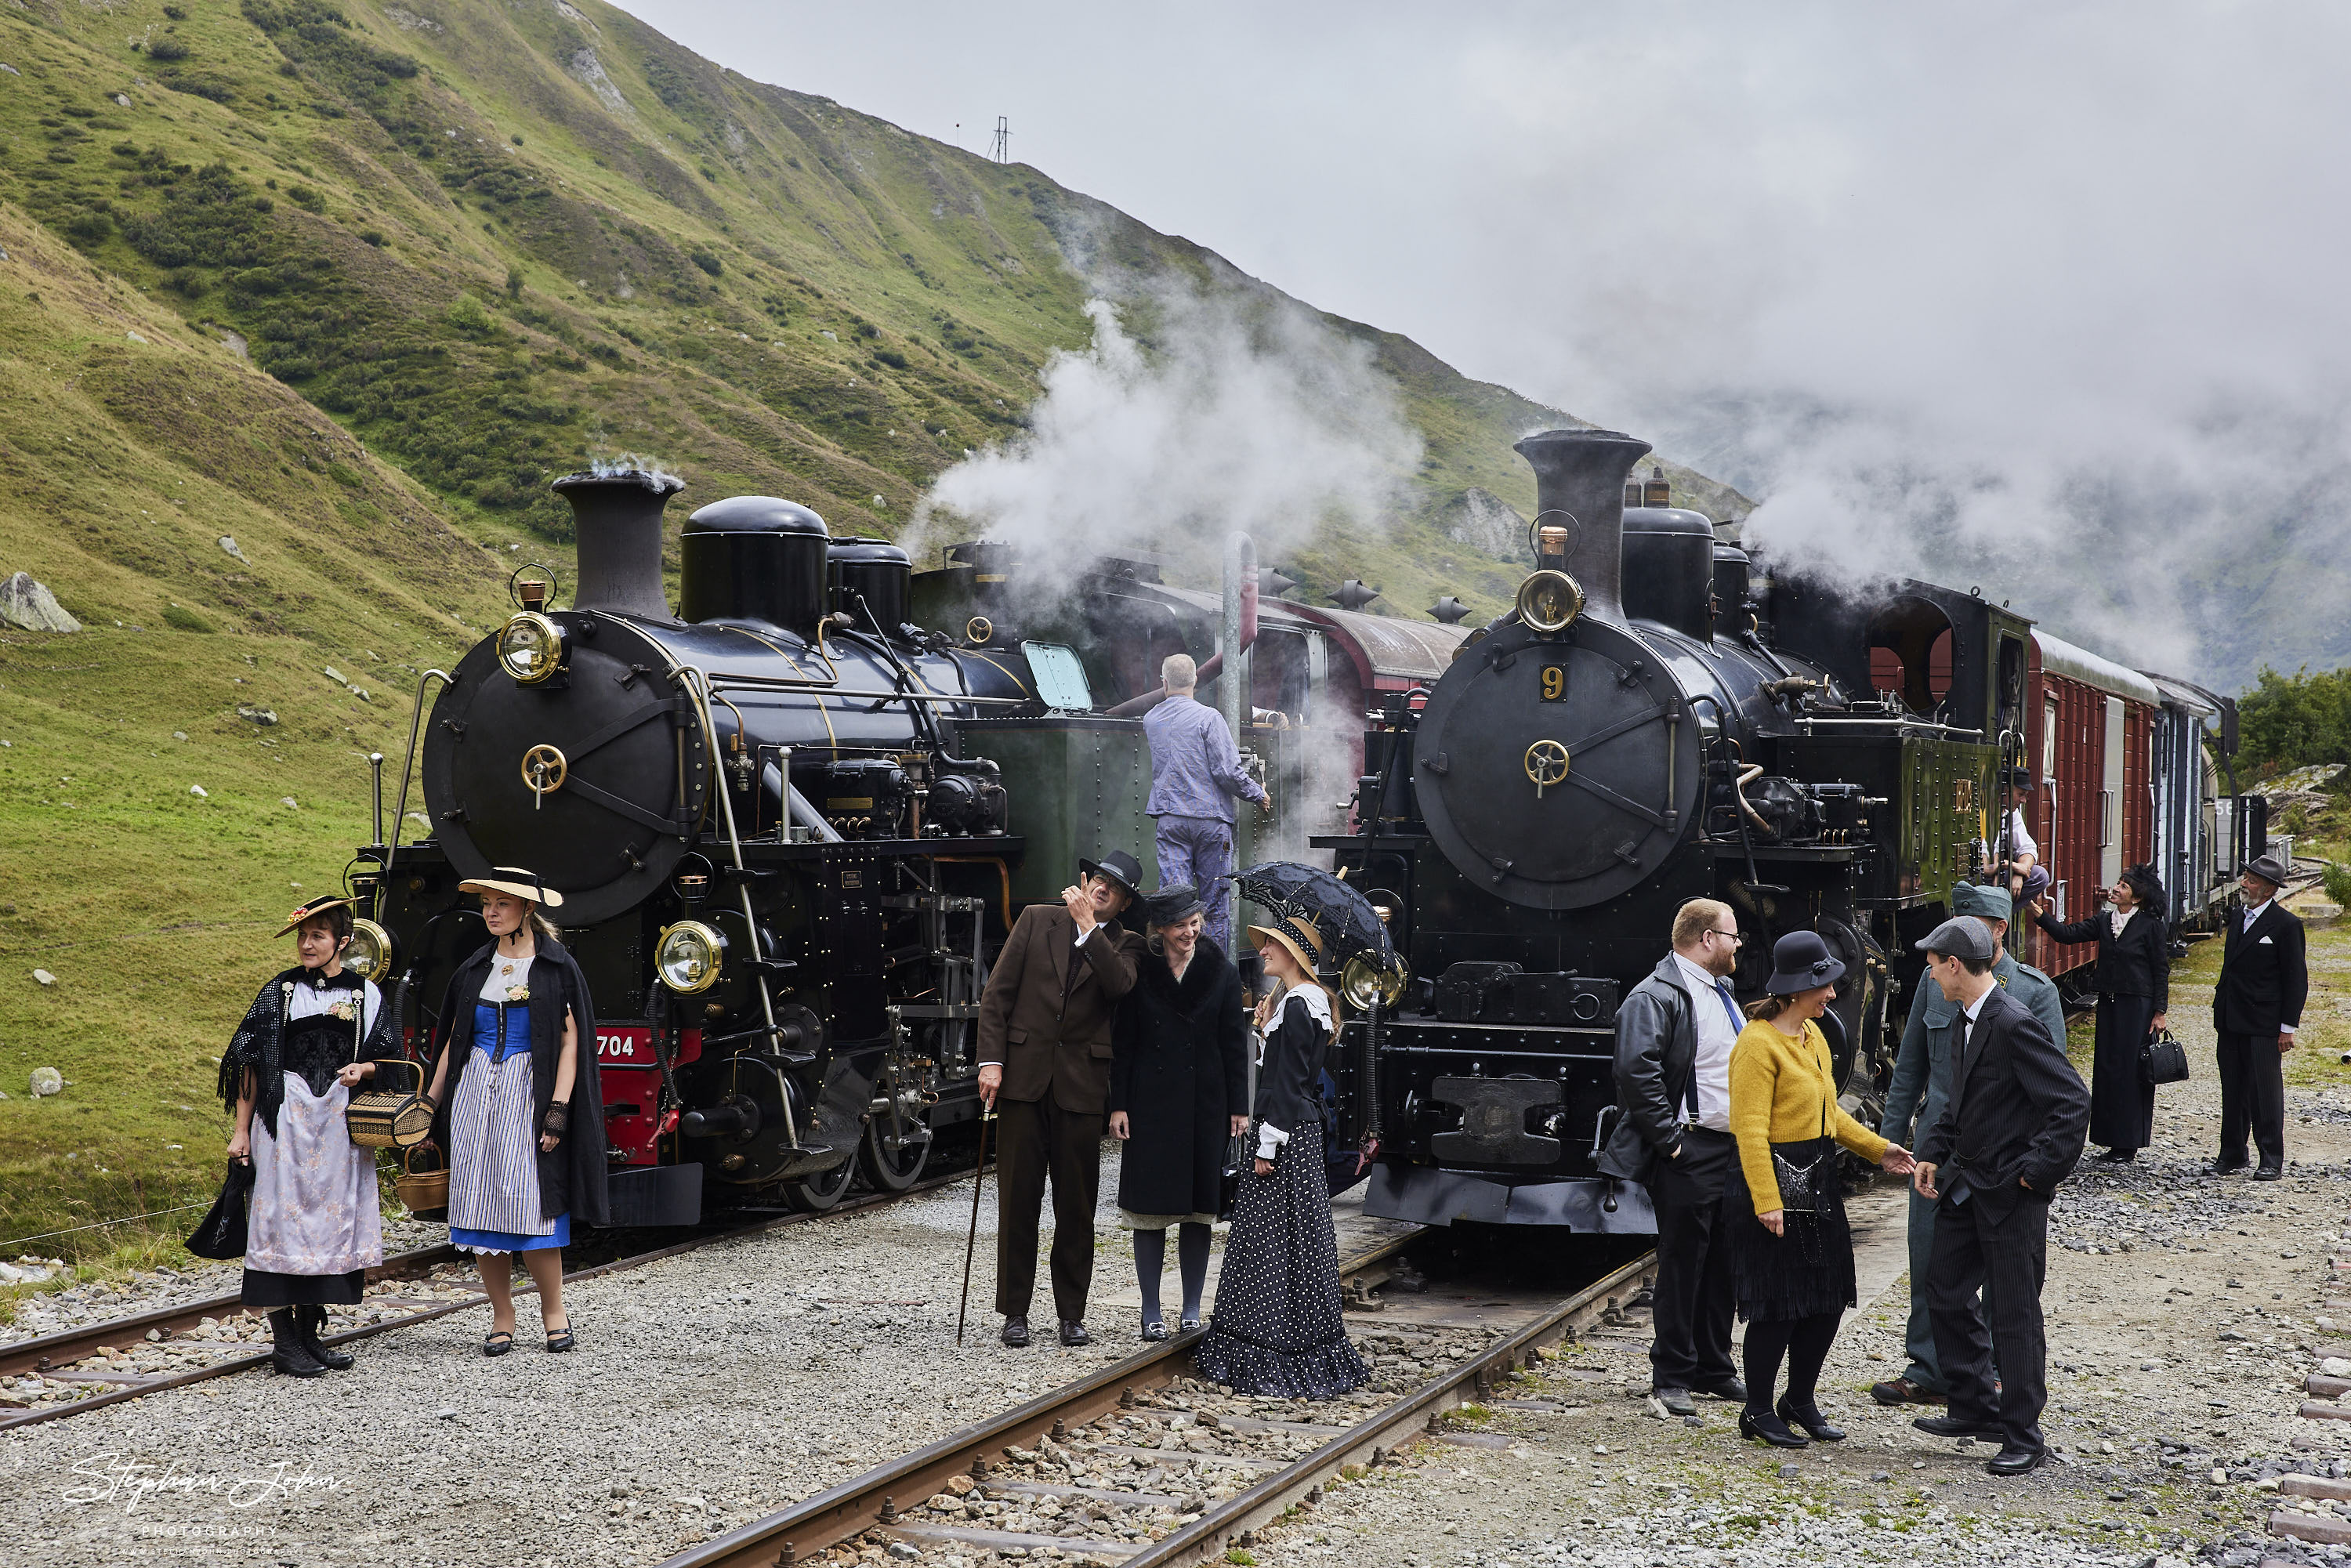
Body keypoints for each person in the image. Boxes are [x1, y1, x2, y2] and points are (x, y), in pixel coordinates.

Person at [1874, 885, 2067, 1407]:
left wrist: (2036, 1169)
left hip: (2001, 1156)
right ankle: (1931, 1368)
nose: (1959, 927)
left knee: (2005, 1275)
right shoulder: (1935, 982)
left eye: (1975, 919)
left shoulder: (2032, 993)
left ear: (2000, 928)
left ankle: (1996, 1375)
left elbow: (2059, 1093)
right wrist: (1890, 1142)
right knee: (1932, 1258)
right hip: (1940, 1143)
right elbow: (1911, 1063)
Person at [1911, 915, 2091, 1476]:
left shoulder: (2012, 1022)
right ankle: (1974, 1406)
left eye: (1934, 962)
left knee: (2014, 1315)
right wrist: (1933, 1151)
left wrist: (2034, 1175)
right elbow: (1960, 1101)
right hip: (1968, 1185)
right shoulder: (1970, 1015)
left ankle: (2023, 1433)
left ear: (1956, 965)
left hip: (2011, 1195)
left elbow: (2071, 1103)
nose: (1930, 970)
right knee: (1944, 1289)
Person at [1724, 931, 1915, 1448]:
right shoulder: (1756, 1044)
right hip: (1775, 1184)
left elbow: (1829, 1114)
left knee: (1826, 1298)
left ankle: (1799, 1399)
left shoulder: (1811, 1036)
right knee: (1777, 1304)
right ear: (1794, 989)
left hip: (1818, 1178)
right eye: (1823, 986)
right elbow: (1749, 1127)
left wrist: (1880, 1150)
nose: (1832, 994)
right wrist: (1767, 1200)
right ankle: (1759, 1409)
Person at [422, 867, 608, 1356]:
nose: (491, 911)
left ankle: (554, 1311)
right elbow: (452, 1043)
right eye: (487, 903)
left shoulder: (556, 968)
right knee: (480, 1207)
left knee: (535, 1207)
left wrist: (558, 1110)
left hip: (530, 1091)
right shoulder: (475, 969)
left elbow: (571, 1046)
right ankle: (502, 1316)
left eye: (501, 903)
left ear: (527, 909)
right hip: (476, 1095)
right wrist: (429, 1105)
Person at [218, 896, 401, 1377]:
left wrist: (367, 1068)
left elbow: (389, 1061)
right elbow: (248, 1065)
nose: (306, 944)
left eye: (317, 936)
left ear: (343, 942)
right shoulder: (278, 992)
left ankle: (308, 1337)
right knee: (279, 1222)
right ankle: (283, 1344)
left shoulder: (367, 995)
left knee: (326, 1227)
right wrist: (241, 1131)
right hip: (284, 1123)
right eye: (303, 936)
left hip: (338, 1128)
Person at [1194, 913, 1370, 1398]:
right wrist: (1264, 1031)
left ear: (1294, 954)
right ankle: (1299, 1337)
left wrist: (1267, 1145)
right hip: (1300, 1132)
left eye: (1272, 944)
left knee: (1272, 1241)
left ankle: (1273, 1348)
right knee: (1297, 1240)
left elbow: (1286, 1084)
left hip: (1285, 1137)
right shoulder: (1300, 1005)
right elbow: (1290, 1069)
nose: (1263, 951)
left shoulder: (1298, 1006)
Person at [976, 850, 1146, 1348]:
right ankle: (1015, 1312)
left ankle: (1072, 1314)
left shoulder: (1127, 944)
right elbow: (997, 996)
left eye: (1113, 889)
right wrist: (991, 1060)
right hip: (1024, 1082)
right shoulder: (1035, 920)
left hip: (1080, 1089)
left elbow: (1119, 988)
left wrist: (1089, 929)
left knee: (1077, 1209)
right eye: (1099, 880)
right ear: (1086, 881)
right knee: (1017, 1202)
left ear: (1124, 903)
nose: (1102, 889)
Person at [1596, 897, 1749, 1418]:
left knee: (1723, 1262)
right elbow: (1635, 1071)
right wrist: (1672, 1141)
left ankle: (1714, 1365)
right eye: (1732, 935)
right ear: (1707, 938)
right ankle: (1673, 1375)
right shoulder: (1654, 996)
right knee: (1683, 1264)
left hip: (1729, 1147)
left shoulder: (1721, 990)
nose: (1737, 945)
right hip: (1691, 1147)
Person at [1107, 884, 1248, 1339]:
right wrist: (1119, 1105)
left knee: (1197, 1210)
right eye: (1181, 926)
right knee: (1147, 1210)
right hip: (1149, 1104)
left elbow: (1233, 1044)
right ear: (1161, 929)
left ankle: (1190, 1308)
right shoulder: (1140, 972)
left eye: (1195, 924)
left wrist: (1238, 1108)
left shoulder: (1222, 973)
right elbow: (1123, 1043)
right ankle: (1151, 1311)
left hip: (1204, 1105)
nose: (1191, 932)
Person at [2030, 864, 2169, 1163]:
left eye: (2123, 886)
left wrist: (2159, 1012)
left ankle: (2129, 1142)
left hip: (2138, 1006)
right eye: (2117, 883)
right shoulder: (2104, 922)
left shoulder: (2150, 926)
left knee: (2132, 1071)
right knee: (2108, 1069)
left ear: (2136, 897)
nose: (2116, 889)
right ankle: (2109, 1138)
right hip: (2109, 1002)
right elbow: (2067, 935)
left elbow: (2161, 969)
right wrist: (2041, 915)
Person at [1141, 653, 1273, 954]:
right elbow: (1227, 771)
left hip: (1170, 818)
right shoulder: (1209, 718)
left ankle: (1178, 973)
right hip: (1210, 820)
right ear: (1196, 680)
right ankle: (1212, 974)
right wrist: (1258, 793)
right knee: (1214, 902)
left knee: (1176, 900)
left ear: (1163, 682)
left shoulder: (1151, 719)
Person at [2212, 853, 2307, 1179]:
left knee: (2265, 1091)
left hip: (2264, 1024)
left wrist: (2287, 1027)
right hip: (2231, 1019)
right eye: (2245, 878)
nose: (2244, 884)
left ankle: (2271, 1157)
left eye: (2251, 881)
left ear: (2268, 890)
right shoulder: (2239, 917)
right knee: (2233, 1088)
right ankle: (2233, 1152)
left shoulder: (2286, 925)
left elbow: (2296, 979)